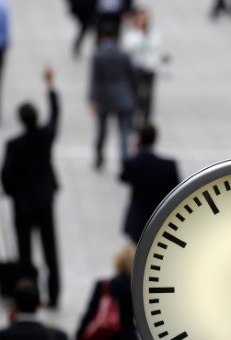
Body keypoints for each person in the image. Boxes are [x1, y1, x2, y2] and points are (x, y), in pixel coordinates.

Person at [0, 67, 62, 308]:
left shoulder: (13, 145)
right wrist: (50, 87)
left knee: (25, 254)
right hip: (44, 200)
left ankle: (28, 294)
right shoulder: (45, 137)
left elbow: (5, 175)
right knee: (50, 251)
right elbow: (56, 115)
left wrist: (12, 192)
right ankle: (54, 295)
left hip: (22, 204)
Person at [120, 124, 180, 243]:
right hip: (159, 216)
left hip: (137, 218)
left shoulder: (132, 164)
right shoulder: (168, 165)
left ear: (139, 140)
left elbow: (123, 177)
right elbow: (176, 187)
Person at [90, 23, 137, 170]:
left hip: (104, 98)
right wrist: (133, 96)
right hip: (123, 96)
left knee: (102, 130)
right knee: (124, 131)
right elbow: (132, 77)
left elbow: (94, 79)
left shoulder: (98, 55)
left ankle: (99, 157)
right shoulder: (124, 55)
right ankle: (124, 160)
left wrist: (93, 99)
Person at [121, 8, 168, 124]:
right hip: (136, 67)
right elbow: (130, 46)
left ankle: (147, 117)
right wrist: (143, 39)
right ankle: (134, 115)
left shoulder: (153, 31)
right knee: (136, 92)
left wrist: (145, 39)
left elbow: (155, 44)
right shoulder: (131, 32)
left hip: (150, 66)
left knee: (149, 93)